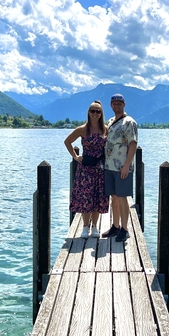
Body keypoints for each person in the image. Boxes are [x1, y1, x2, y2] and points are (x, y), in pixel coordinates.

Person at [64, 100, 109, 238]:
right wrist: (76, 157)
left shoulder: (106, 129)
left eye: (98, 111)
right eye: (92, 110)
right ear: (88, 112)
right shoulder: (82, 129)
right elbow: (67, 142)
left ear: (101, 113)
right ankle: (85, 227)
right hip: (86, 169)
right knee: (86, 197)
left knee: (97, 196)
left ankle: (95, 227)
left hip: (100, 168)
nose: (95, 113)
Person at [102, 93, 138, 242]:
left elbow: (133, 144)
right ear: (111, 105)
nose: (117, 106)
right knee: (114, 198)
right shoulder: (110, 121)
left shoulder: (129, 122)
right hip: (109, 166)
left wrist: (127, 165)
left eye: (119, 103)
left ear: (124, 104)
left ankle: (125, 229)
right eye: (114, 103)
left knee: (123, 198)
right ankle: (115, 226)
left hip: (122, 167)